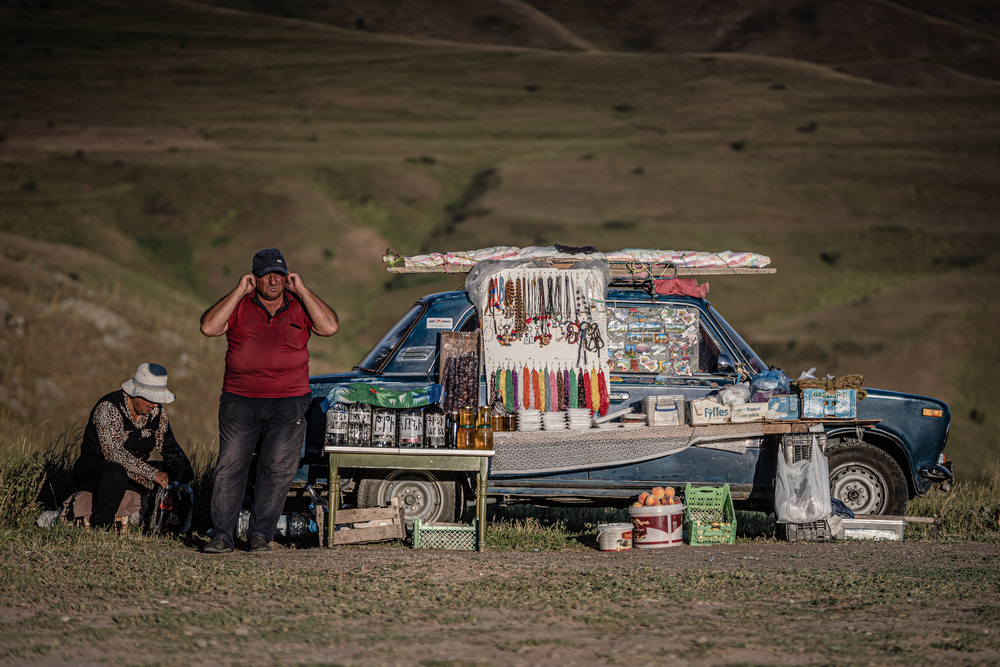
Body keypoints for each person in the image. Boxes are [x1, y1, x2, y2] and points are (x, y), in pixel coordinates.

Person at [199, 248, 338, 553]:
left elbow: (329, 327)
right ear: (255, 278)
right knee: (231, 464)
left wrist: (301, 288)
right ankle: (221, 534)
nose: (273, 281)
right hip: (240, 399)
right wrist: (238, 290)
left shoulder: (299, 304)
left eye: (278, 274)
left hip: (289, 401)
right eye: (265, 275)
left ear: (286, 276)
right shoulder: (240, 303)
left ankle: (260, 535)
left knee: (277, 467)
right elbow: (209, 328)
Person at [73, 363, 194, 530]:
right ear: (136, 394)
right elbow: (113, 454)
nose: (155, 405)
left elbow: (168, 444)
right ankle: (101, 527)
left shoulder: (156, 412)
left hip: (133, 472)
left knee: (172, 473)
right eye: (152, 400)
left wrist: (182, 464)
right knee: (116, 473)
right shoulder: (109, 408)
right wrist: (152, 474)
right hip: (96, 469)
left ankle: (167, 525)